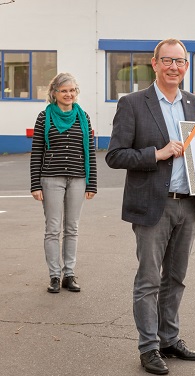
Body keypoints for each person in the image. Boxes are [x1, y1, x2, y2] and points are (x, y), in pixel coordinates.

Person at [106, 38, 195, 375]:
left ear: (187, 66)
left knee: (176, 278)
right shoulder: (132, 103)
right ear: (154, 63)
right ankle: (149, 348)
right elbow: (115, 155)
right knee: (148, 281)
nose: (174, 67)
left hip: (188, 205)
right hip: (152, 207)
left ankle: (169, 339)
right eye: (168, 60)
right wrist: (155, 154)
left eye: (181, 61)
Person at [30, 72, 97, 294]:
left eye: (72, 90)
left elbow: (90, 152)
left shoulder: (83, 117)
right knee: (52, 229)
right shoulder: (44, 117)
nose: (68, 94)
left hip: (78, 178)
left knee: (72, 228)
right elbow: (37, 152)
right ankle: (54, 276)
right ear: (54, 93)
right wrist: (35, 185)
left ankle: (69, 274)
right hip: (51, 179)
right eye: (64, 90)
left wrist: (92, 183)